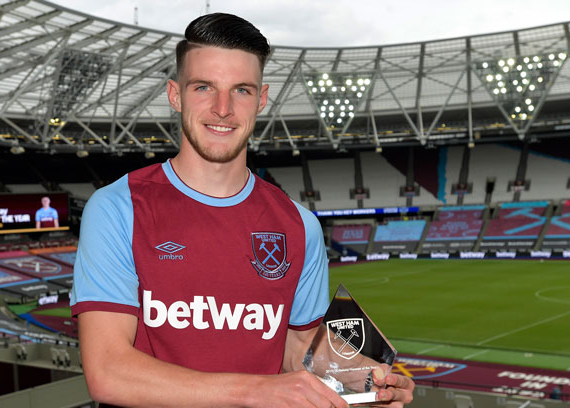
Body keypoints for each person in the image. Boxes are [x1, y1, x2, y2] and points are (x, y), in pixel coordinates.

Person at [70, 12, 414, 407]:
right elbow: (108, 372)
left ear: (261, 99)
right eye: (203, 87)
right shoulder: (118, 207)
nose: (222, 108)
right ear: (175, 94)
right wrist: (253, 391)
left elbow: (296, 347)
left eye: (241, 91)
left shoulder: (299, 225)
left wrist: (368, 381)